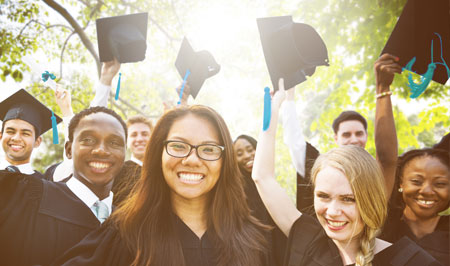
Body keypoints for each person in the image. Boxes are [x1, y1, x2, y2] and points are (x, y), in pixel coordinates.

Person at [252, 80, 441, 266]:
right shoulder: (309, 241)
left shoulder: (409, 261)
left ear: (372, 200)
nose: (333, 212)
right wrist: (274, 108)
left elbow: (387, 159)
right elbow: (262, 177)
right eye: (323, 196)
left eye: (348, 199)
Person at [54, 105, 269, 266]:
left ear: (225, 161)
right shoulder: (125, 234)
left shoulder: (253, 239)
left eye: (209, 149)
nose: (192, 160)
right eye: (178, 145)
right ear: (159, 155)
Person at [0, 106, 127, 266]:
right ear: (68, 150)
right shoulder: (28, 200)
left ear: (124, 153)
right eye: (88, 140)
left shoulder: (130, 224)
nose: (101, 150)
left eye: (114, 142)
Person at [281, 53, 399, 212]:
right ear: (336, 138)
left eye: (359, 134)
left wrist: (383, 88)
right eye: (346, 134)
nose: (354, 139)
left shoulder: (375, 175)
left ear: (366, 136)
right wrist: (288, 97)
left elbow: (386, 159)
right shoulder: (319, 167)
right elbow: (294, 141)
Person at [381, 148, 449, 265]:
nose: (427, 191)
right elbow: (386, 159)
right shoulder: (383, 227)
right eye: (416, 181)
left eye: (440, 184)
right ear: (401, 182)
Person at [234, 134, 287, 266]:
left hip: (280, 247)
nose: (247, 155)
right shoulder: (236, 191)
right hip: (255, 252)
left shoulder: (269, 182)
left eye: (250, 149)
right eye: (239, 153)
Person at [0, 89, 62, 178]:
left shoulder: (45, 185)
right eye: (10, 131)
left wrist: (66, 110)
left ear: (37, 141)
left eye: (25, 133)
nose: (16, 138)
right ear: (1, 136)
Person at [112, 115, 153, 206]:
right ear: (126, 140)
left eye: (145, 134)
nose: (139, 139)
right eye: (134, 135)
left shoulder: (162, 171)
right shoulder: (117, 172)